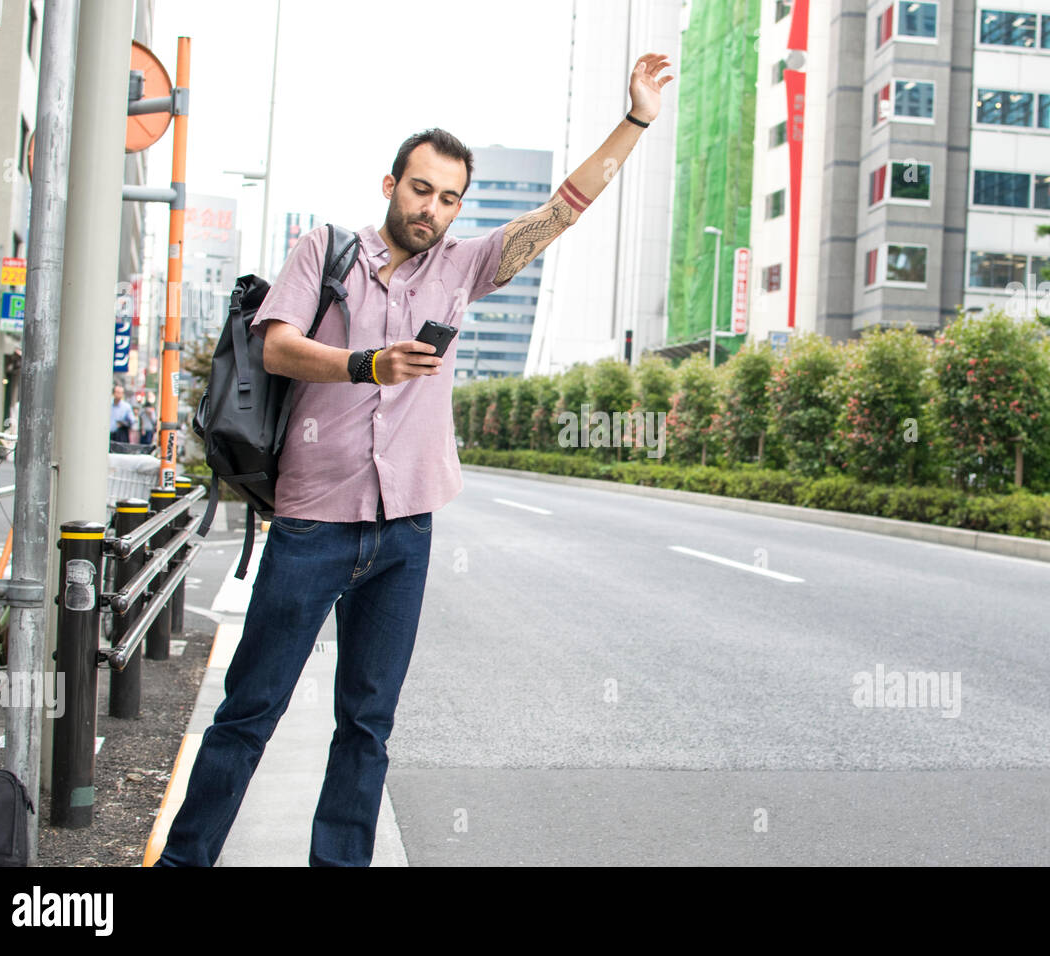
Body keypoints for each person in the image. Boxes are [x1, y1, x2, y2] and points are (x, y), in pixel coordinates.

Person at [153, 54, 673, 867]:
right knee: (250, 709)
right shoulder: (324, 250)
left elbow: (562, 209)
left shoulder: (464, 270)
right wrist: (367, 364)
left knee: (367, 724)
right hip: (311, 523)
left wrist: (635, 119)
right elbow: (282, 348)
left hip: (403, 534)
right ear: (391, 183)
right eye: (421, 189)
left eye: (450, 198)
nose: (432, 208)